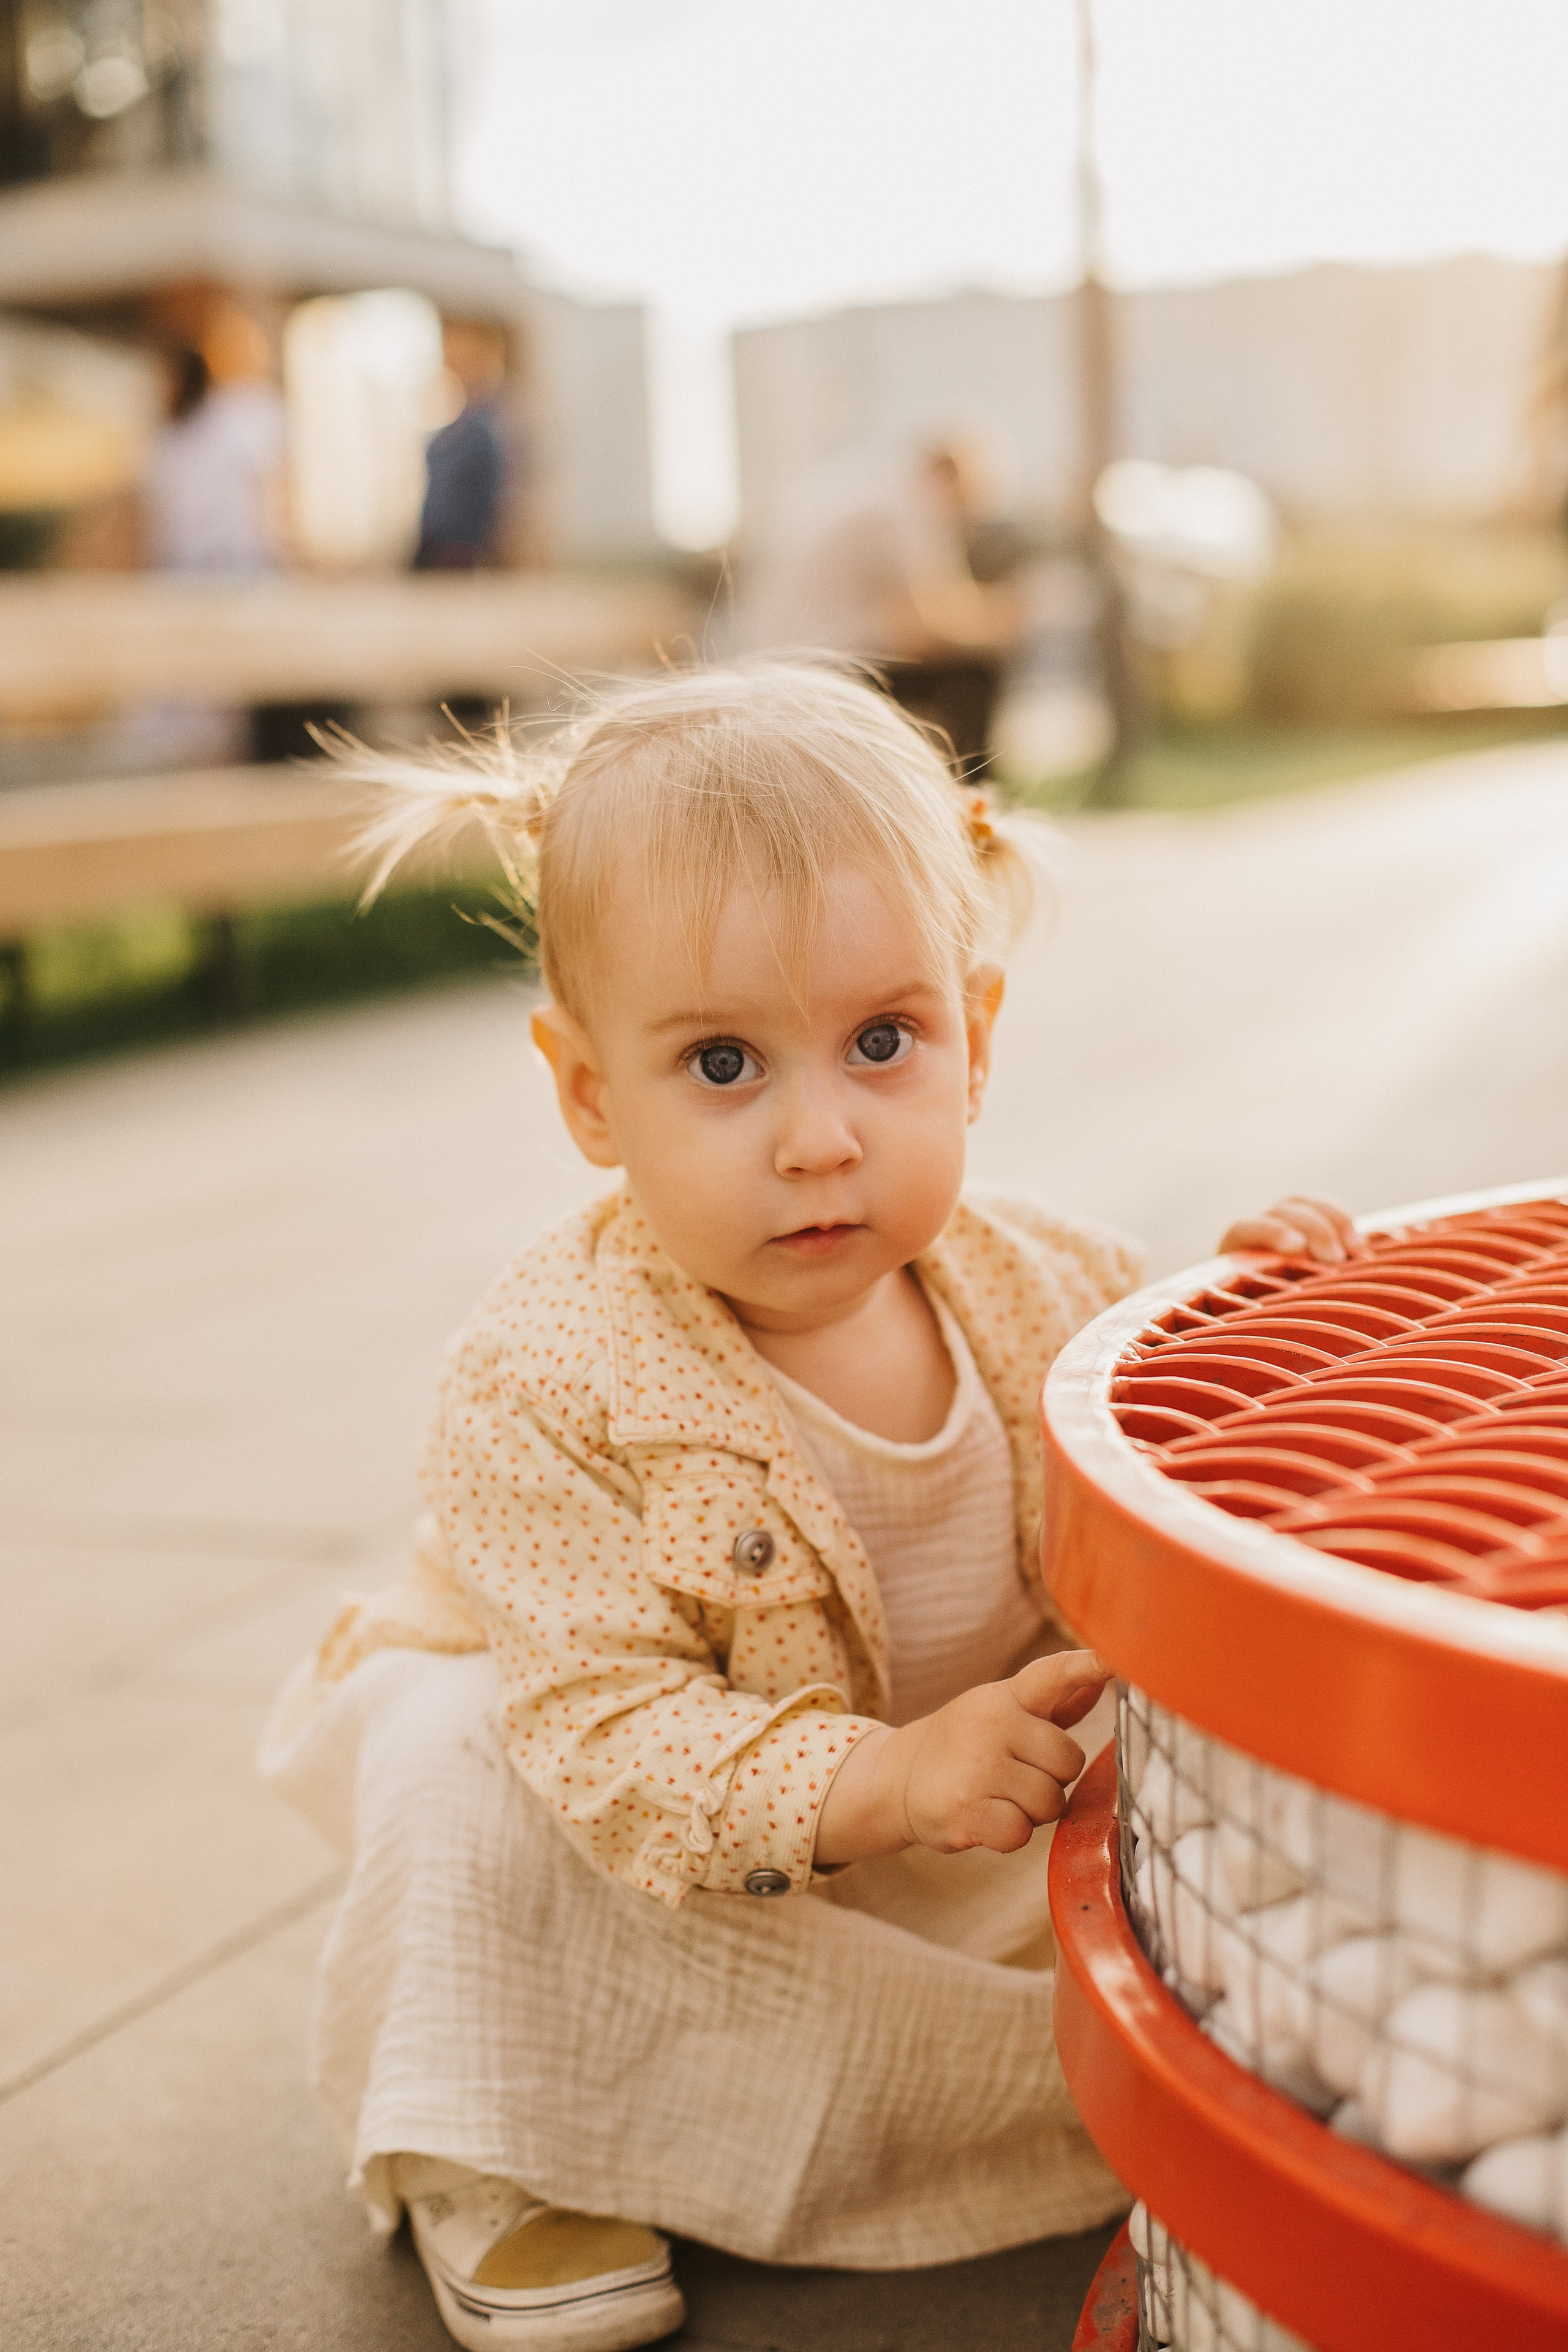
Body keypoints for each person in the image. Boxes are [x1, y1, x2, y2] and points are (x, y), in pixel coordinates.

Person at [259, 662, 1360, 2352]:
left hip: (920, 1802)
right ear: (587, 1098)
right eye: (722, 1062)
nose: (821, 1137)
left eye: (879, 1043)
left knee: (1182, 1837)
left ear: (975, 1042)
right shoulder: (546, 1380)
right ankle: (501, 2132)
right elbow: (608, 1734)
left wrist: (1252, 1328)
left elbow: (1167, 1467)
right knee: (452, 1759)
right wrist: (874, 1776)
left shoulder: (1046, 1283)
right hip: (628, 1799)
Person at [741, 440, 1027, 776]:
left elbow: (939, 602)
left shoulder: (872, 489)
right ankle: (968, 798)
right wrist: (1004, 625)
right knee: (973, 674)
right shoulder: (906, 507)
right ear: (951, 474)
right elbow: (922, 628)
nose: (971, 515)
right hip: (833, 664)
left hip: (789, 656)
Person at [413, 320, 511, 571]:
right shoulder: (457, 418)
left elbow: (502, 498)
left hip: (463, 553)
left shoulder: (493, 423)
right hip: (433, 546)